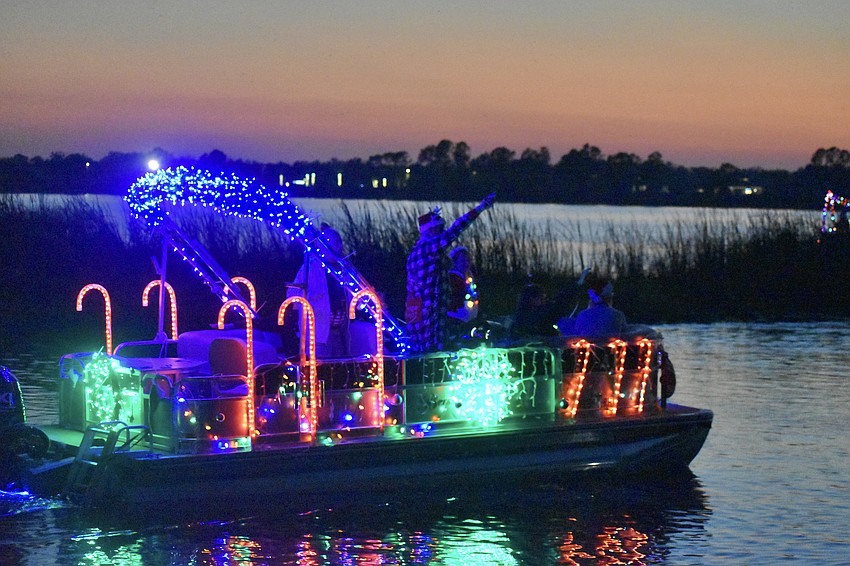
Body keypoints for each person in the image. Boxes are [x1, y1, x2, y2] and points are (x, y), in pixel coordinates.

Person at [405, 194, 495, 353]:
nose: (442, 232)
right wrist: (480, 208)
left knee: (420, 348)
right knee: (433, 350)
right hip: (430, 310)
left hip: (416, 310)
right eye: (439, 229)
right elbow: (456, 229)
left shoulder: (414, 252)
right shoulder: (429, 247)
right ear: (431, 230)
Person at [287, 223, 350, 358]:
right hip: (318, 336)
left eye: (339, 243)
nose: (338, 247)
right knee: (320, 371)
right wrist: (313, 299)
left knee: (341, 370)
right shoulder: (310, 268)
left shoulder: (344, 270)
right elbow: (292, 296)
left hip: (340, 333)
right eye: (334, 244)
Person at [447, 246, 479, 324]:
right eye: (462, 261)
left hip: (470, 316)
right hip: (456, 317)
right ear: (455, 262)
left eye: (468, 260)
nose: (466, 263)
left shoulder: (469, 278)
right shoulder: (452, 278)